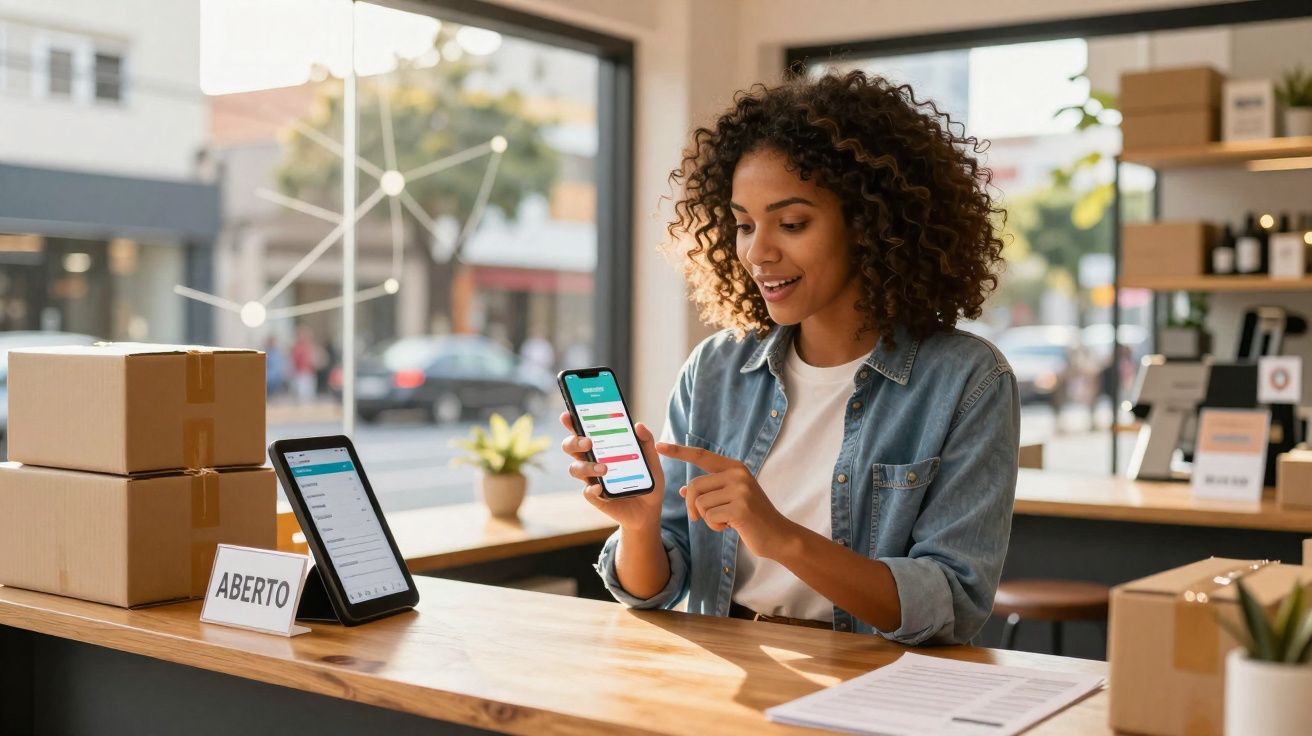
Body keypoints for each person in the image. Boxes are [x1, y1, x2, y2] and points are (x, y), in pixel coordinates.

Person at [558, 70, 1018, 645]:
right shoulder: (716, 369)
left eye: (792, 223)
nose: (757, 252)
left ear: (870, 224)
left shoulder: (965, 381)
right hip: (733, 667)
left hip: (874, 676)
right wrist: (641, 525)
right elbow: (655, 588)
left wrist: (782, 537)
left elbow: (952, 604)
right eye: (744, 225)